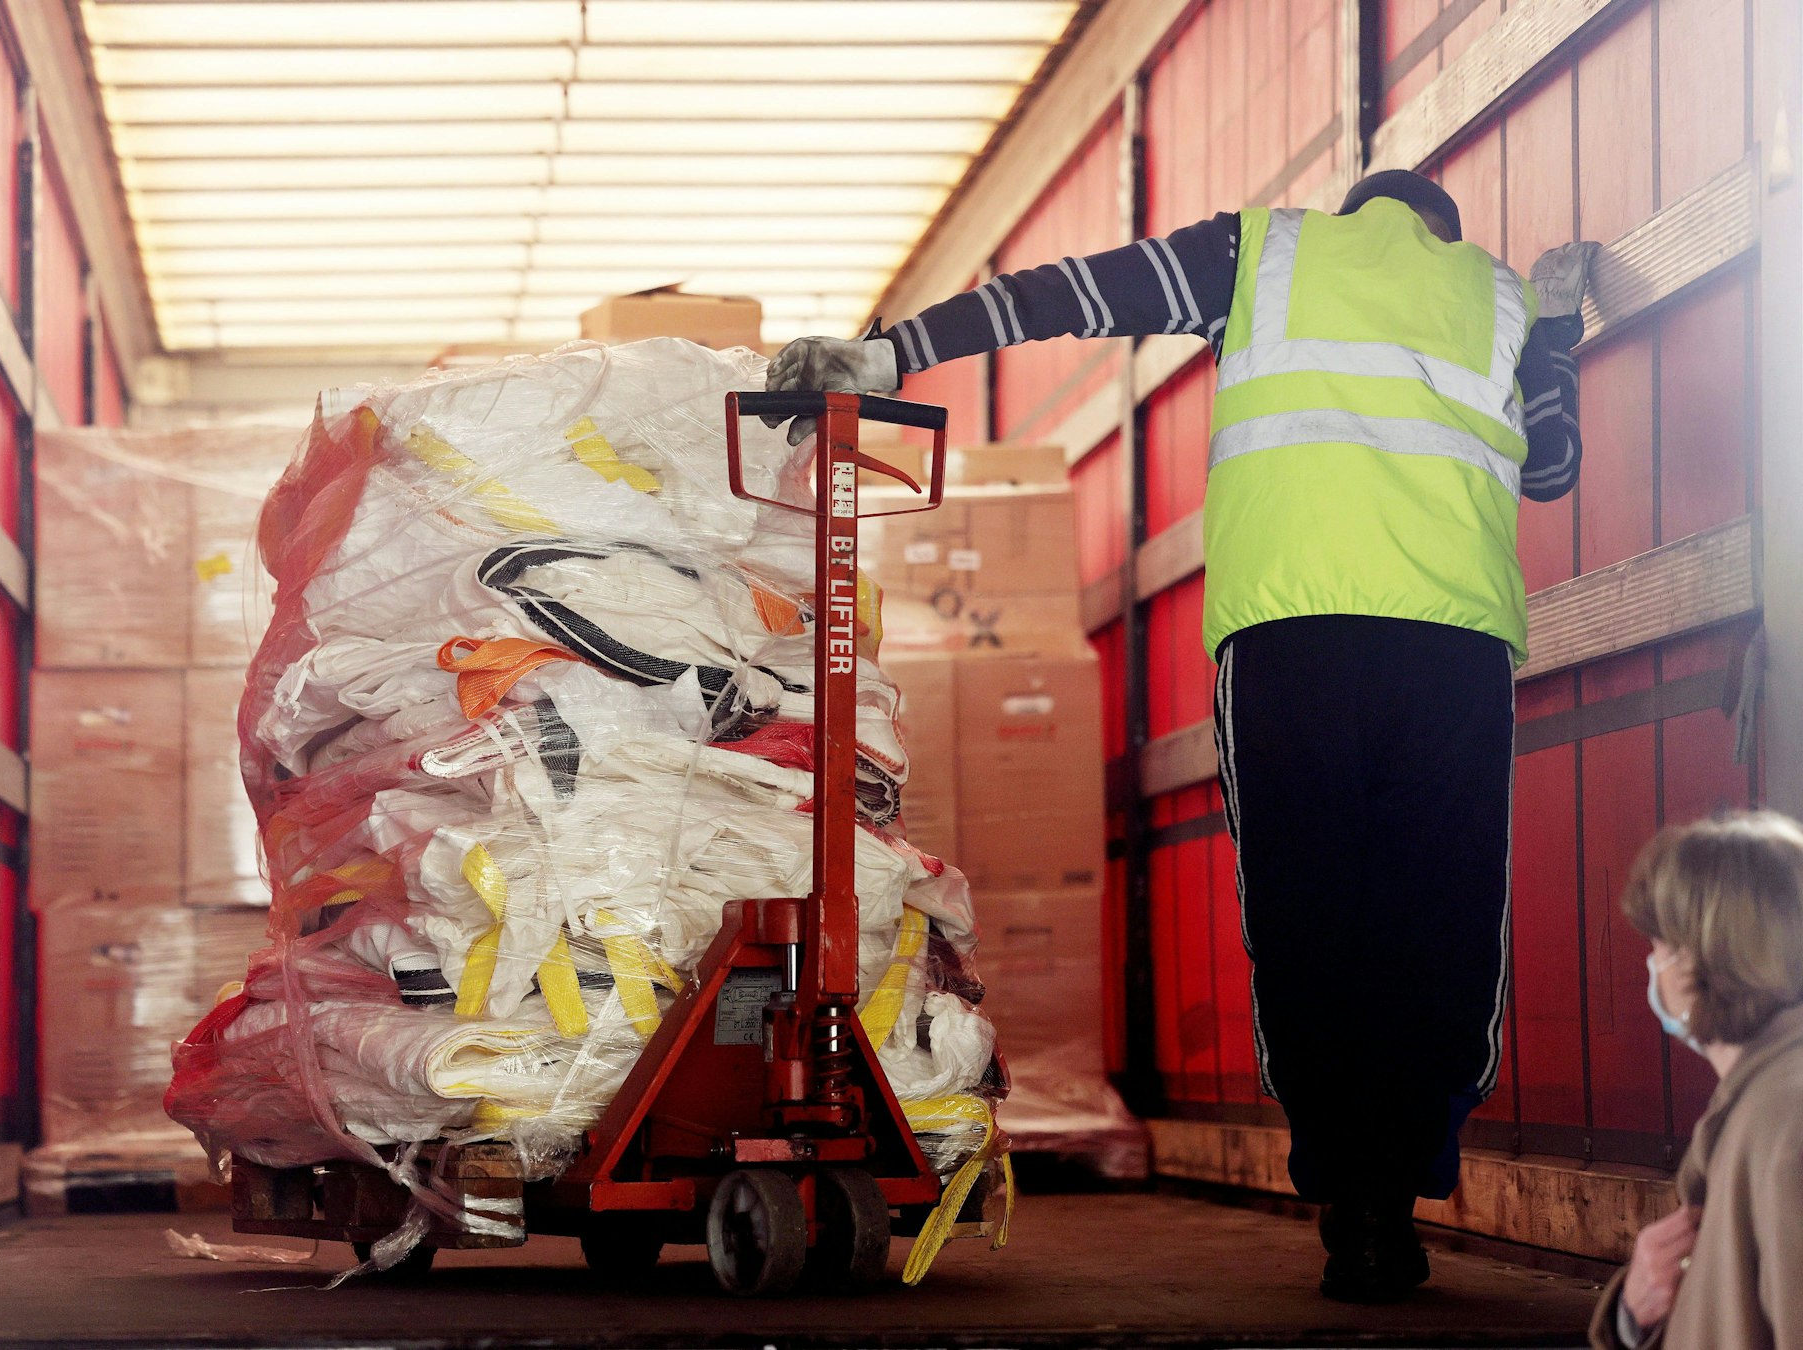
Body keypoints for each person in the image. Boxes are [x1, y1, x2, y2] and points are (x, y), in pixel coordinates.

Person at [764, 169, 1598, 1302]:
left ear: (1354, 214)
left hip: (1288, 639)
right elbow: (1549, 471)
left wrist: (894, 348)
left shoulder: (1265, 255)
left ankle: (1346, 1200)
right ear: (1440, 230)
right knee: (1435, 920)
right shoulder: (1497, 298)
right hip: (1448, 650)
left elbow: (1070, 294)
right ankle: (1395, 1192)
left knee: (1306, 916)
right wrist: (1553, 338)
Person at [1590, 812, 1803, 1349]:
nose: (1651, 964)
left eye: (1658, 945)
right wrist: (1632, 1317)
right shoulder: (1757, 1098)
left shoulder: (1789, 1115)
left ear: (1696, 959)